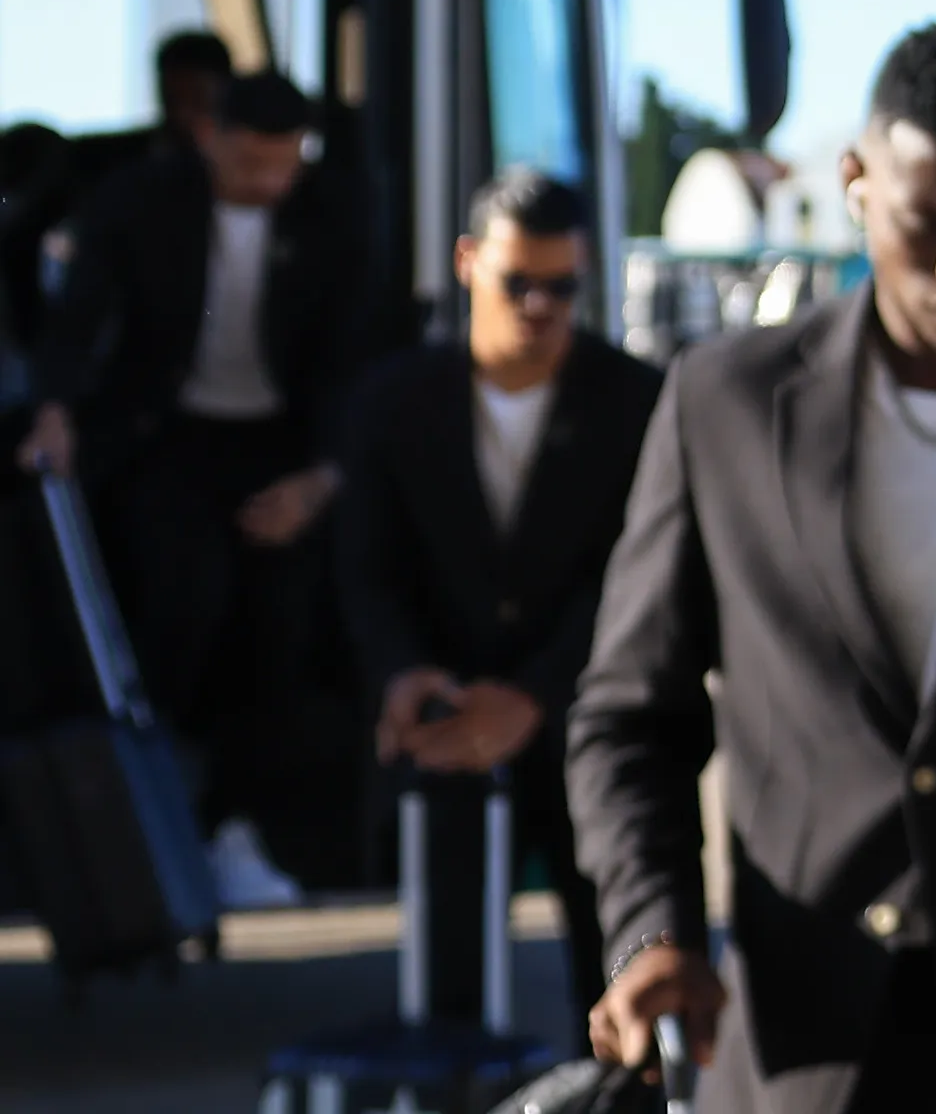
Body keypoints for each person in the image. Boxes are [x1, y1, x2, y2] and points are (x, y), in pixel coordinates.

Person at [568, 23, 936, 1113]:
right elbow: (628, 715)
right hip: (801, 1036)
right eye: (931, 225)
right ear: (856, 183)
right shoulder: (721, 404)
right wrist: (651, 929)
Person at [16, 68, 366, 905]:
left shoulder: (336, 216)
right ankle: (151, 822)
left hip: (283, 446)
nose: (267, 183)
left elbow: (355, 359)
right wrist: (54, 408)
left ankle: (239, 833)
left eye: (285, 164)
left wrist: (322, 479)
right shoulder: (143, 200)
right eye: (250, 162)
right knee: (178, 605)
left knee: (277, 634)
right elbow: (82, 315)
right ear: (212, 137)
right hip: (166, 437)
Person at [337, 168, 664, 1034]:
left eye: (563, 286)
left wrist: (535, 697)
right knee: (447, 985)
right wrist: (402, 674)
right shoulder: (392, 401)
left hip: (585, 724)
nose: (541, 307)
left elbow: (639, 577)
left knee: (613, 985)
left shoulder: (639, 400)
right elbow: (365, 567)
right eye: (519, 282)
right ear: (467, 262)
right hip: (445, 724)